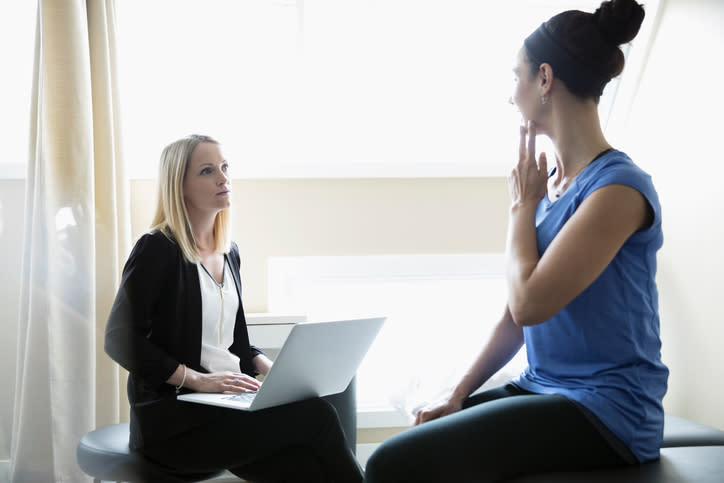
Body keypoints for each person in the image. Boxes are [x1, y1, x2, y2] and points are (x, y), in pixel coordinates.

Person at [363, 0, 668, 481]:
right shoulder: (546, 182)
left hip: (608, 408)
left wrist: (521, 208)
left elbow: (530, 305)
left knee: (389, 466)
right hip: (542, 386)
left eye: (517, 76)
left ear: (545, 79)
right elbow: (513, 315)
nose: (511, 95)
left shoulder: (618, 190)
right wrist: (458, 391)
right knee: (414, 437)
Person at [105, 134, 363, 482]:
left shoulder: (229, 252)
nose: (223, 178)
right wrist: (197, 380)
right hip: (176, 423)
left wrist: (273, 370)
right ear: (179, 186)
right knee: (315, 418)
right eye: (208, 171)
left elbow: (236, 344)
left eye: (225, 167)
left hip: (226, 408)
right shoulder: (157, 248)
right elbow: (120, 338)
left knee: (310, 458)